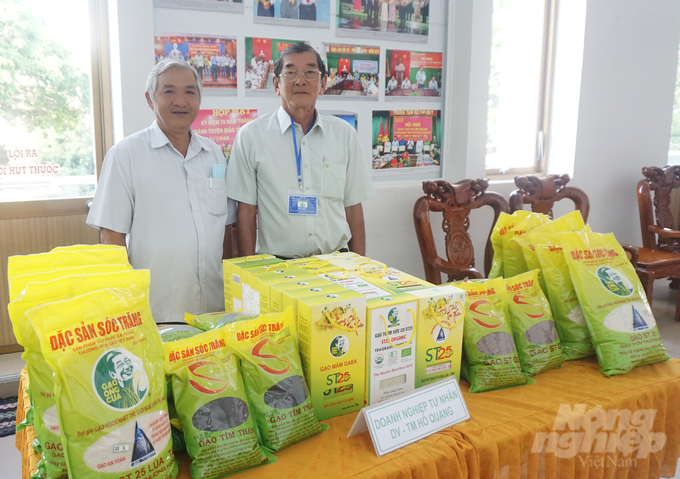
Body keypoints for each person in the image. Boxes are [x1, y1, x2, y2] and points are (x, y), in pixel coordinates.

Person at [87, 60, 237, 323]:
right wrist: (125, 306)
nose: (180, 100)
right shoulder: (126, 155)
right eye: (169, 91)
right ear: (149, 99)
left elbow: (224, 227)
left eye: (190, 92)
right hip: (156, 310)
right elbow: (111, 235)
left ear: (199, 99)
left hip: (215, 307)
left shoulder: (213, 152)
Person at [227, 44, 374, 258]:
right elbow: (246, 212)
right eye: (291, 72)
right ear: (276, 84)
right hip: (277, 268)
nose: (301, 80)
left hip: (336, 263)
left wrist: (361, 267)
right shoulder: (251, 136)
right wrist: (251, 273)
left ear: (323, 83)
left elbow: (353, 208)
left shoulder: (344, 134)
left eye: (310, 72)